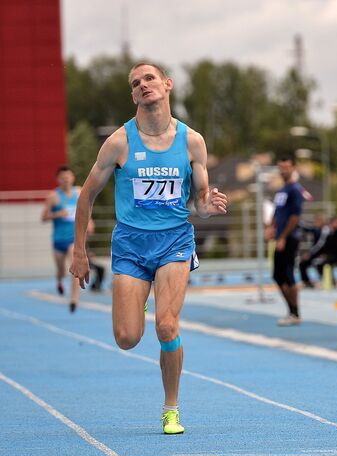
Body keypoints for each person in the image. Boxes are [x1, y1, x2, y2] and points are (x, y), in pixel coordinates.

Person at [69, 62, 228, 435]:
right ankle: (137, 297)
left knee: (167, 325)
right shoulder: (120, 142)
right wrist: (80, 251)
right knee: (127, 338)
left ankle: (171, 408)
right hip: (131, 244)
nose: (143, 85)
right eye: (136, 83)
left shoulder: (192, 141)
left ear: (167, 84)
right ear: (133, 95)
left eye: (150, 78)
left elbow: (199, 202)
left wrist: (208, 205)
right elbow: (86, 196)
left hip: (174, 239)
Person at [267, 155, 304, 325]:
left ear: (293, 168)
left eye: (286, 167)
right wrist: (271, 227)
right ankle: (291, 310)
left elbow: (295, 217)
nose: (283, 170)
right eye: (281, 167)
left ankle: (295, 312)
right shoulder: (281, 191)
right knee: (277, 275)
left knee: (288, 274)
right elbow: (277, 212)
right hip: (280, 237)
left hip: (290, 238)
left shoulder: (295, 190)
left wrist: (283, 237)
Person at [41, 165, 80, 312]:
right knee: (61, 270)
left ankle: (74, 300)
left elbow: (86, 209)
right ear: (58, 180)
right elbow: (43, 217)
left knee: (75, 267)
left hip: (73, 239)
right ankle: (59, 281)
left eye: (68, 177)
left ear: (72, 178)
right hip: (58, 240)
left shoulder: (79, 192)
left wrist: (89, 222)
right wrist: (58, 214)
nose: (66, 180)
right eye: (63, 178)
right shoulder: (53, 197)